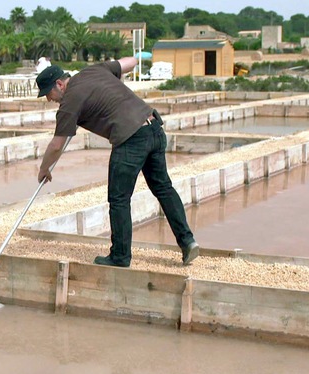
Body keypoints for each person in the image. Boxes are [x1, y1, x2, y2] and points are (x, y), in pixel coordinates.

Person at [35, 58, 199, 268]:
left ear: (59, 84)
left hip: (131, 137)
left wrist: (44, 169)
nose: (49, 99)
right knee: (163, 188)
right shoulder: (93, 70)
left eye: (48, 94)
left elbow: (57, 145)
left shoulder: (69, 101)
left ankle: (120, 256)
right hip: (154, 127)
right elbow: (130, 62)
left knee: (119, 198)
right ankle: (187, 242)